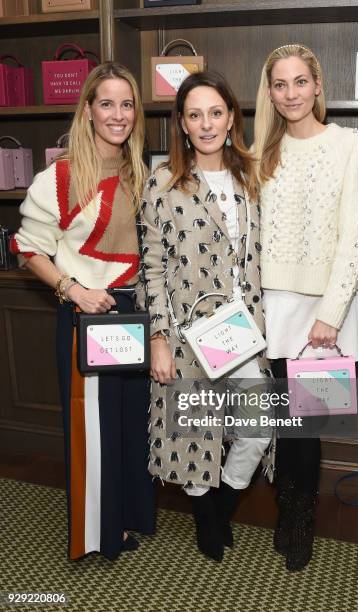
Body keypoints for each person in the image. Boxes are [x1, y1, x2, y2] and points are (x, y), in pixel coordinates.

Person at [11, 62, 156, 561]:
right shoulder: (62, 176)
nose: (118, 114)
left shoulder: (143, 172)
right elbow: (27, 247)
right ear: (88, 110)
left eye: (127, 103)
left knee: (130, 427)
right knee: (93, 431)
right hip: (87, 317)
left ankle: (128, 517)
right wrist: (73, 290)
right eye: (107, 103)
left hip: (134, 315)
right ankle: (97, 534)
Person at [137, 70, 272, 563]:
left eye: (216, 112)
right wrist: (158, 338)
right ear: (182, 124)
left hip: (242, 329)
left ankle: (222, 504)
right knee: (193, 432)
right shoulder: (163, 182)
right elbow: (151, 266)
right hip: (188, 328)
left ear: (232, 116)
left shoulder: (251, 175)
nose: (207, 123)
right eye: (195, 115)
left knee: (257, 427)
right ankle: (204, 518)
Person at [254, 44, 358, 571]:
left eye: (300, 82)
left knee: (310, 422)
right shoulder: (260, 150)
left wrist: (330, 312)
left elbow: (356, 234)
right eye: (280, 85)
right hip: (274, 305)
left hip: (329, 309)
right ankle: (287, 512)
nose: (291, 94)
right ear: (271, 92)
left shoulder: (351, 144)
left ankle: (301, 524)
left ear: (318, 85)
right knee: (285, 421)